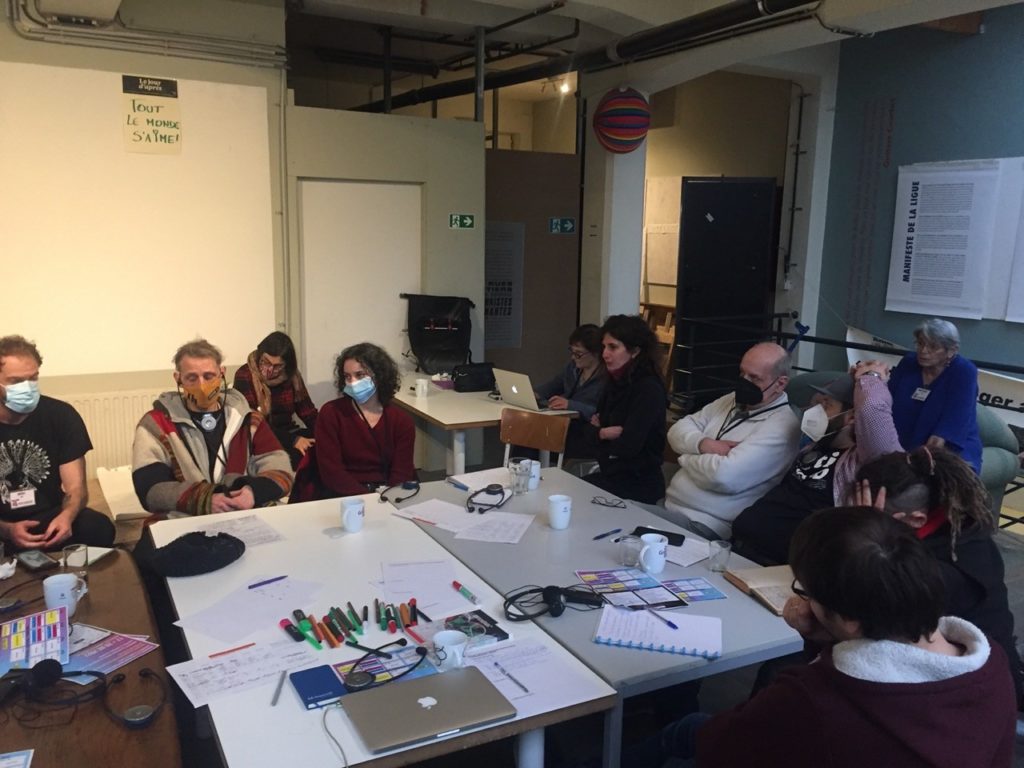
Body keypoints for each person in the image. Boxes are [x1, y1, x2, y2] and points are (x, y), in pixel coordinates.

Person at [627, 507, 1016, 768]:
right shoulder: (990, 663)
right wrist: (826, 637)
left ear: (848, 619)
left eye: (804, 590)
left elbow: (720, 746)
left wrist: (818, 644)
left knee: (688, 730)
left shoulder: (812, 698)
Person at [854, 446, 1023, 705]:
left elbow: (861, 610)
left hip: (974, 696)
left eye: (871, 516)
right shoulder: (954, 531)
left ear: (916, 519)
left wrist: (862, 533)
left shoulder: (942, 572)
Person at [730, 361, 902, 565]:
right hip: (739, 547)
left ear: (851, 417)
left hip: (779, 566)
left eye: (825, 405)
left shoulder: (864, 461)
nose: (814, 411)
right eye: (815, 403)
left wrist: (870, 378)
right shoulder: (812, 446)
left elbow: (872, 410)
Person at [132, 339, 293, 516]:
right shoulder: (155, 424)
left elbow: (281, 471)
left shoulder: (249, 419)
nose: (201, 385)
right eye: (192, 378)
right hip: (184, 519)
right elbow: (150, 489)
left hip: (242, 513)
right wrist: (205, 500)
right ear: (178, 379)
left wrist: (252, 493)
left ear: (222, 373)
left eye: (208, 376)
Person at [662, 342, 800, 540]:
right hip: (669, 505)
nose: (744, 382)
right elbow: (677, 430)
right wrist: (703, 444)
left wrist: (685, 455)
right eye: (742, 373)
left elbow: (723, 476)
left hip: (705, 524)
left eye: (754, 378)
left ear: (780, 384)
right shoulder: (730, 400)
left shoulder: (783, 427)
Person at [0, 335, 114, 550]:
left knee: (98, 527)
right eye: (16, 381)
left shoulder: (60, 415)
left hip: (49, 516)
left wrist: (67, 516)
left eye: (33, 378)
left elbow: (76, 488)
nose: (27, 388)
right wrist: (7, 530)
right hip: (2, 524)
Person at [292, 342, 415, 500]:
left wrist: (387, 499)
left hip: (387, 495)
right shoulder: (331, 413)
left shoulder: (401, 421)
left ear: (379, 375)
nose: (352, 382)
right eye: (347, 376)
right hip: (342, 495)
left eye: (360, 375)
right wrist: (367, 499)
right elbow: (332, 473)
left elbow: (402, 473)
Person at [581, 315, 667, 505]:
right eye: (604, 347)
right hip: (612, 476)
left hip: (638, 485)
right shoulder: (613, 382)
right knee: (571, 493)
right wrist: (603, 433)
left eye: (613, 347)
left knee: (576, 499)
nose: (605, 354)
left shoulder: (648, 389)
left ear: (634, 351)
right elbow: (588, 434)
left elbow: (627, 447)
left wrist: (598, 434)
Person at [888, 317, 982, 472]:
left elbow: (954, 421)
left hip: (949, 445)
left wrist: (915, 463)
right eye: (920, 343)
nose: (923, 351)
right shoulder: (909, 362)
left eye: (933, 346)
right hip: (903, 437)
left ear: (951, 351)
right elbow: (887, 398)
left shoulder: (964, 371)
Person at [233, 331, 318, 469]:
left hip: (288, 431)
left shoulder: (292, 376)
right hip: (259, 437)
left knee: (321, 444)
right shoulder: (245, 375)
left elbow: (308, 413)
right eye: (266, 362)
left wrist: (327, 432)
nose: (270, 369)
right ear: (260, 355)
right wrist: (293, 440)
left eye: (277, 366)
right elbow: (251, 422)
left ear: (286, 365)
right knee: (297, 456)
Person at [533, 324, 606, 459]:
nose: (573, 357)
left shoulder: (606, 378)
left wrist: (570, 404)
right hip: (565, 425)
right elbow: (553, 386)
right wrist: (533, 394)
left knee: (539, 442)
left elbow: (601, 412)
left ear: (595, 353)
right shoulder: (573, 368)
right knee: (527, 440)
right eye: (572, 351)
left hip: (585, 431)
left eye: (578, 353)